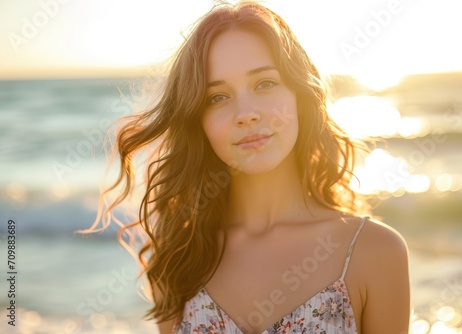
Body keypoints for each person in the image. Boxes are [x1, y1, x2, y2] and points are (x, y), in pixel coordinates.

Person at [88, 1, 411, 333]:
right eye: (217, 98)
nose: (246, 113)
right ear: (198, 121)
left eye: (265, 83)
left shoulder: (373, 253)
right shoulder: (176, 262)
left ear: (301, 96)